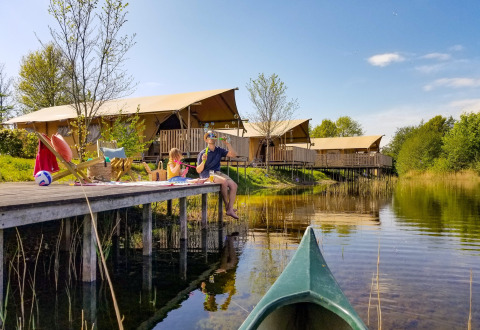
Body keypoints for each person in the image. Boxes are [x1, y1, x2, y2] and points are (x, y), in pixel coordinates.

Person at [196, 131, 239, 219]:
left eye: (213, 135)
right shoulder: (203, 153)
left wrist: (227, 143)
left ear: (215, 139)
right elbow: (198, 170)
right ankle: (227, 206)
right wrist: (204, 161)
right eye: (209, 136)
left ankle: (230, 209)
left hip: (217, 173)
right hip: (207, 175)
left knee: (234, 185)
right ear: (206, 140)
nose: (211, 137)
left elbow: (234, 155)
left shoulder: (219, 150)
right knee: (224, 182)